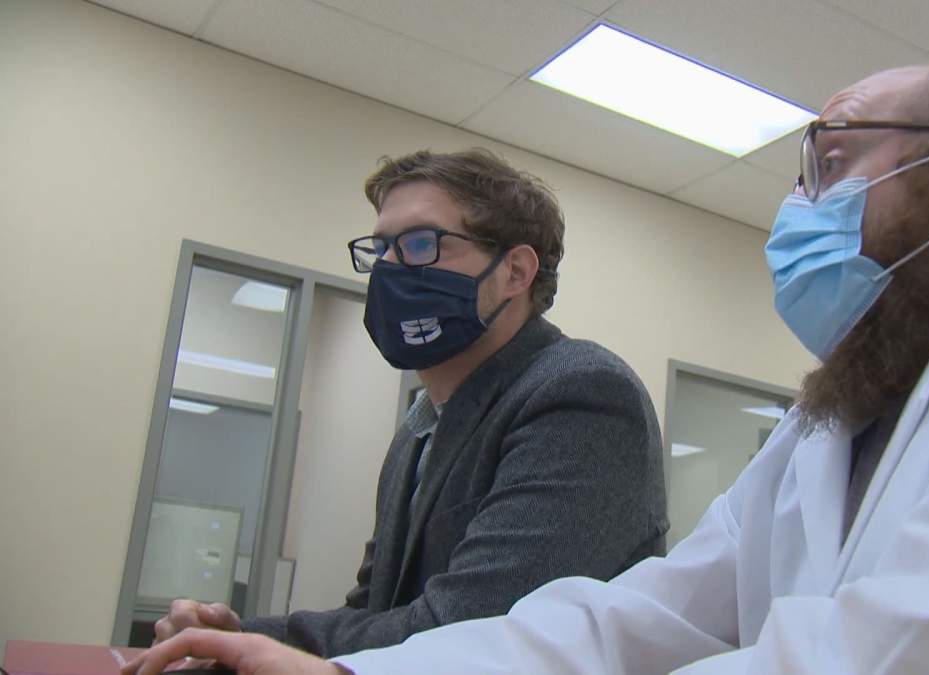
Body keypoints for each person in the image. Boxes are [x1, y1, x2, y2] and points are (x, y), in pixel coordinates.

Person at [126, 64, 929, 675]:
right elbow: (634, 620)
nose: (797, 211)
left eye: (830, 164)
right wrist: (345, 671)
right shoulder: (825, 428)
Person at [147, 149, 669, 658]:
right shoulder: (418, 428)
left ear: (515, 271)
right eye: (381, 249)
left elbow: (467, 630)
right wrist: (233, 637)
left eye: (421, 243)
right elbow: (375, 610)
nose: (389, 267)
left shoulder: (581, 393)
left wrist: (253, 642)